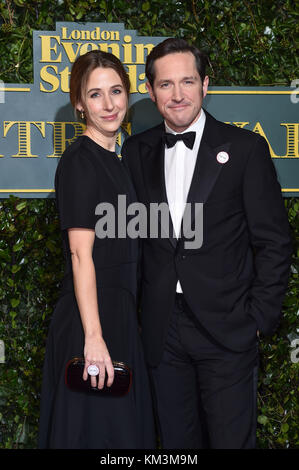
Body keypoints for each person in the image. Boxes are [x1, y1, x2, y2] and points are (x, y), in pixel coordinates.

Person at [122, 38, 293, 449]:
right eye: (165, 84)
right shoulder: (136, 151)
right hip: (163, 330)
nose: (177, 94)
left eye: (187, 82)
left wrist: (256, 320)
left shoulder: (246, 149)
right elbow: (132, 241)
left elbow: (274, 241)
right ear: (150, 90)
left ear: (205, 85)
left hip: (229, 328)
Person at [38, 50, 155, 449]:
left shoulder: (117, 159)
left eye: (116, 91)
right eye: (95, 94)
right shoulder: (81, 162)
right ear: (78, 103)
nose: (109, 105)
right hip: (92, 323)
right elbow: (80, 255)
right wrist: (94, 337)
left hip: (118, 316)